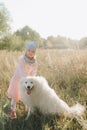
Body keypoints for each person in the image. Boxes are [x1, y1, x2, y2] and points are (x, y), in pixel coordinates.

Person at [7, 41, 38, 119]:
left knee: (27, 96)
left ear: (35, 52)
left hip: (27, 82)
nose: (30, 53)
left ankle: (27, 110)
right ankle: (13, 110)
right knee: (15, 96)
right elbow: (21, 71)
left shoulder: (34, 62)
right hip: (18, 80)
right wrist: (26, 79)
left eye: (33, 51)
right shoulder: (22, 60)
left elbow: (34, 72)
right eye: (29, 50)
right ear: (26, 50)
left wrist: (31, 79)